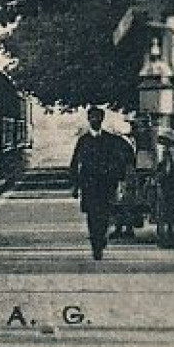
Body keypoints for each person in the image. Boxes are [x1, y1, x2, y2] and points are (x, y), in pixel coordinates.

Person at [70, 106, 134, 260]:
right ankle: (96, 244)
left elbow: (126, 154)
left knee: (104, 215)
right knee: (92, 216)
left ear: (102, 120)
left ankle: (101, 237)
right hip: (89, 185)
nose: (95, 121)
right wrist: (75, 185)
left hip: (106, 184)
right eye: (92, 118)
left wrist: (120, 176)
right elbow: (75, 163)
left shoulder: (111, 140)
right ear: (88, 120)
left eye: (98, 118)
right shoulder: (83, 140)